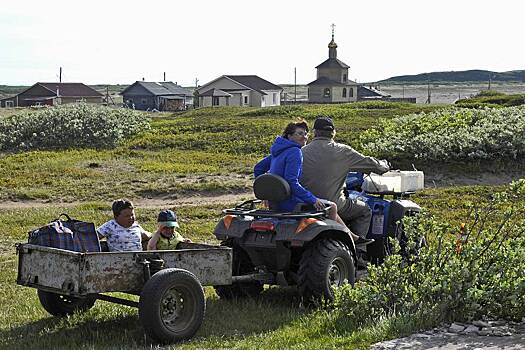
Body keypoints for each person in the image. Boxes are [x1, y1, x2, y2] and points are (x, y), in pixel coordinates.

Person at [301, 116, 390, 241]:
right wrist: (384, 165)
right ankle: (360, 250)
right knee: (364, 210)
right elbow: (371, 164)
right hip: (333, 204)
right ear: (333, 133)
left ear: (314, 132)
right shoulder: (342, 151)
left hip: (304, 205)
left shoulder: (302, 151)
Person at [254, 120, 345, 227]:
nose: (304, 137)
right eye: (300, 133)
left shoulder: (278, 151)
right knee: (332, 207)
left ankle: (353, 237)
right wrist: (312, 199)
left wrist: (266, 193)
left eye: (306, 133)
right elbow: (291, 181)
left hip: (275, 203)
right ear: (289, 136)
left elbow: (258, 168)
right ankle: (333, 238)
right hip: (291, 203)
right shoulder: (295, 151)